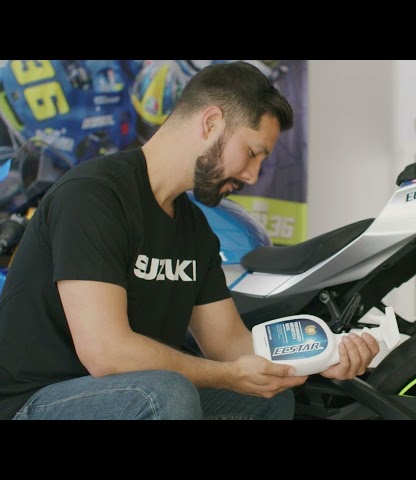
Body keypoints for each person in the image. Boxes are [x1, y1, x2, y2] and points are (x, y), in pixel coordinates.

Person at [0, 61, 380, 420]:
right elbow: (107, 354)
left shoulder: (194, 228)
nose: (252, 175)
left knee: (267, 399)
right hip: (36, 402)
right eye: (252, 153)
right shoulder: (94, 196)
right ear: (211, 123)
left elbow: (229, 344)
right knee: (166, 393)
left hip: (135, 394)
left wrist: (323, 358)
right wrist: (229, 376)